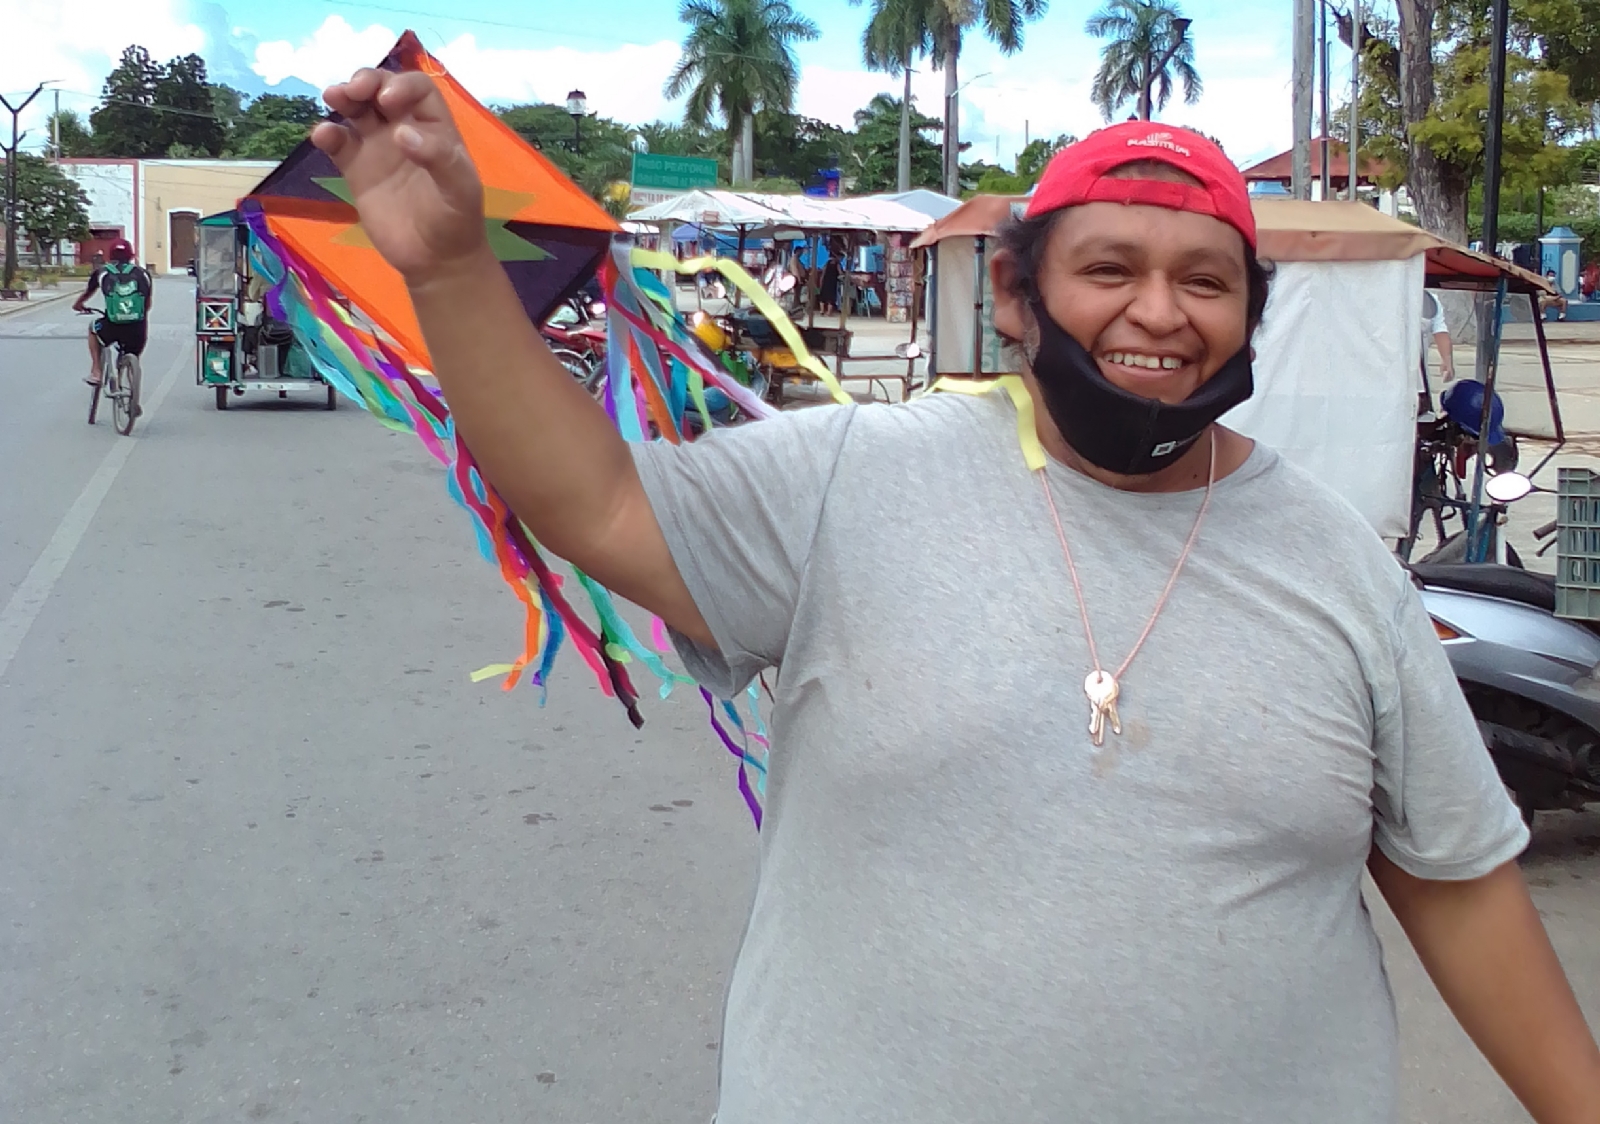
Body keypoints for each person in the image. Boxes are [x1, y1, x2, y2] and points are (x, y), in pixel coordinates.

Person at [312, 71, 1600, 1124]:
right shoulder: (848, 479)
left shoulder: (1337, 565)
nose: (1158, 311)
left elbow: (1459, 881)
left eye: (1204, 280)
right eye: (1109, 268)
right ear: (1013, 293)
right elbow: (593, 504)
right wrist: (447, 271)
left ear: (1247, 312)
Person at [72, 238, 152, 386]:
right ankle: (133, 397)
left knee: (93, 328)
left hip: (112, 326)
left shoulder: (102, 272)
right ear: (131, 256)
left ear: (110, 256)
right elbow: (147, 305)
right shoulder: (143, 274)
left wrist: (78, 305)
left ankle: (96, 371)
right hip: (137, 329)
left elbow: (87, 293)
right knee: (134, 353)